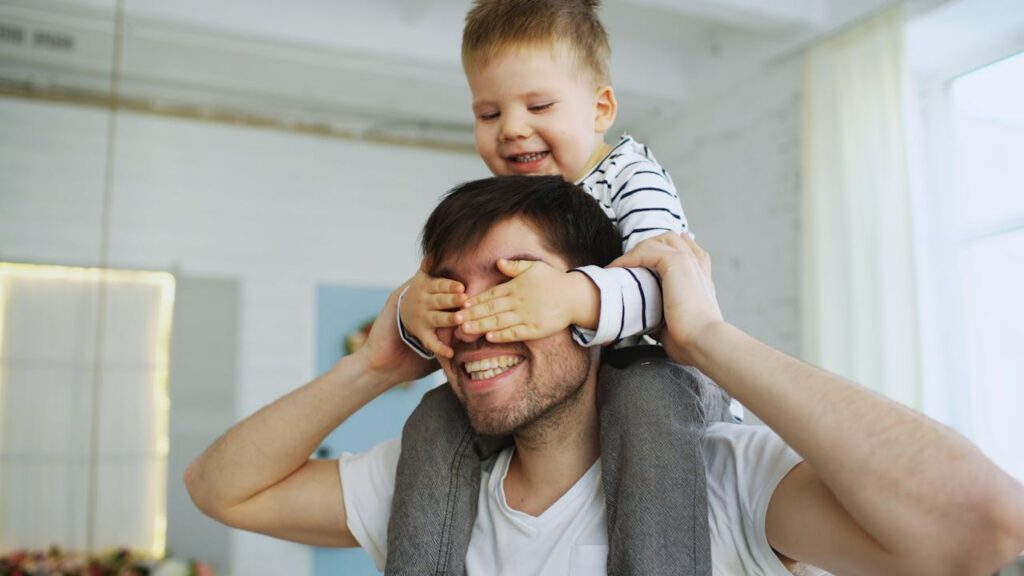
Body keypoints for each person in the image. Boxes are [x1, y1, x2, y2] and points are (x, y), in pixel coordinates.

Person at [185, 176, 1024, 576]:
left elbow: (982, 526)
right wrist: (377, 361)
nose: (476, 317)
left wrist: (705, 338)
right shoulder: (421, 483)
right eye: (452, 288)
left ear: (588, 310)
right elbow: (225, 490)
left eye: (514, 285)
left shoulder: (725, 484)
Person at [392, 1, 718, 572]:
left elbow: (671, 286)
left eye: (538, 105)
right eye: (489, 113)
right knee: (433, 418)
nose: (513, 127)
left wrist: (572, 296)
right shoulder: (512, 204)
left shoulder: (631, 177)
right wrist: (412, 312)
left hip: (662, 379)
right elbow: (467, 313)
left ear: (601, 108)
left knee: (646, 403)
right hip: (570, 391)